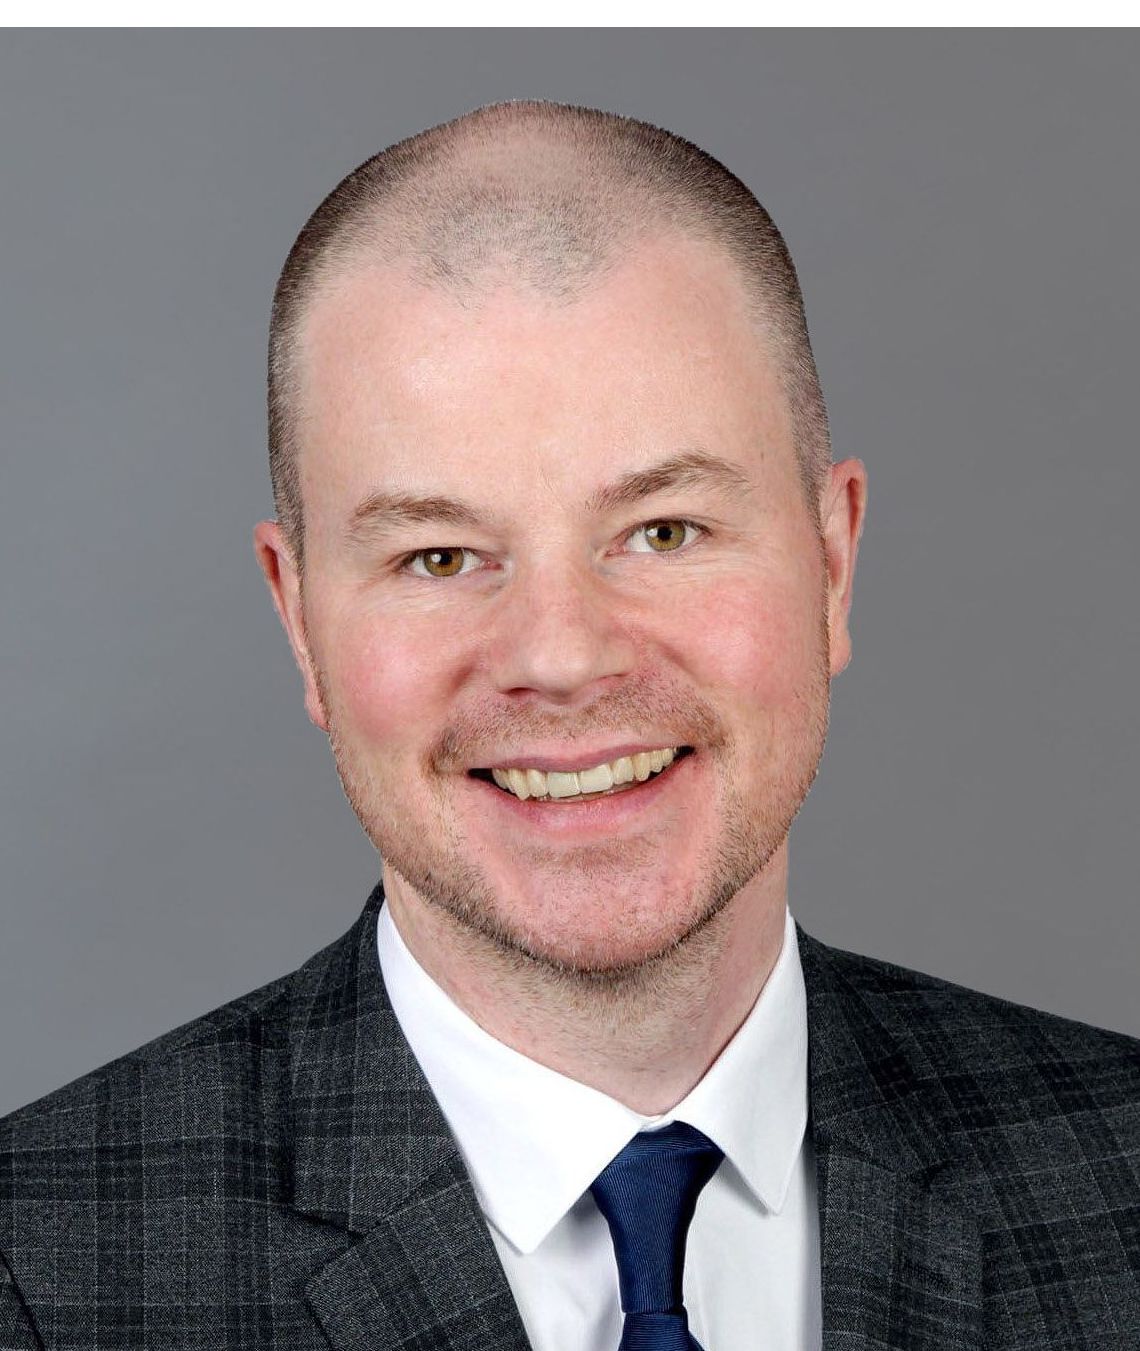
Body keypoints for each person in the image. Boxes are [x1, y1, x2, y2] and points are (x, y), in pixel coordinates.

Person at [1, 100, 1136, 1351]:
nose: (562, 655)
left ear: (832, 563)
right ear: (299, 618)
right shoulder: (36, 1280)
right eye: (439, 555)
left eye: (664, 531)